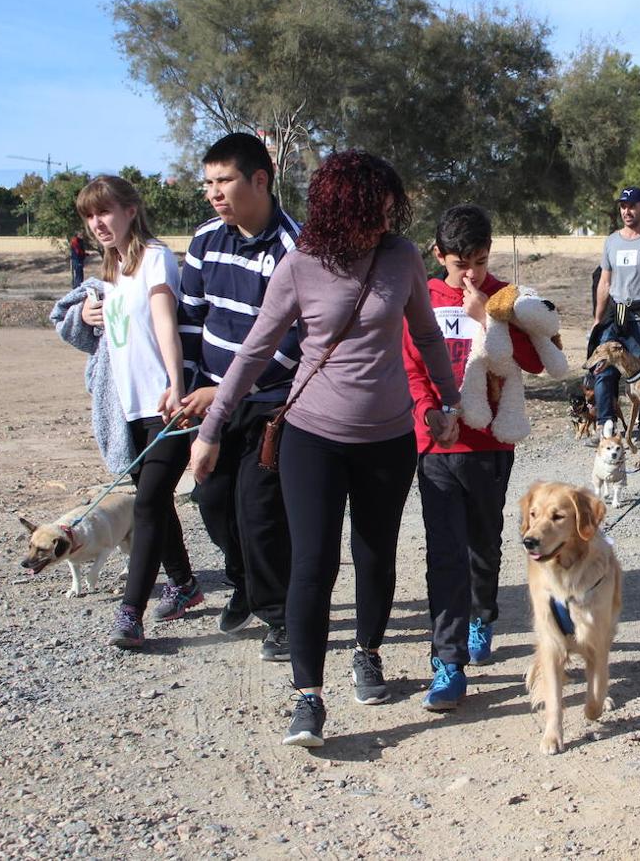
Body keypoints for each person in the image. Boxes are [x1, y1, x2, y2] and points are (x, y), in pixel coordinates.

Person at [190, 151, 461, 749]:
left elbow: (424, 333)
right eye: (375, 210)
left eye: (391, 209)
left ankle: (367, 652)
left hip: (389, 438)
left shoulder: (401, 257)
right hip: (311, 436)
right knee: (314, 562)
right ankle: (307, 698)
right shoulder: (301, 265)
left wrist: (448, 401)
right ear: (345, 210)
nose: (385, 219)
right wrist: (211, 430)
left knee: (375, 554)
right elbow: (255, 351)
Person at [404, 204, 546, 712]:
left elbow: (534, 360)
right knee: (445, 551)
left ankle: (483, 616)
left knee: (483, 542)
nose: (471, 274)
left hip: (490, 446)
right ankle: (447, 661)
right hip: (438, 446)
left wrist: (488, 314)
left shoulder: (506, 296)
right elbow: (411, 366)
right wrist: (427, 414)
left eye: (480, 261)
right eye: (461, 262)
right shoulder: (420, 296)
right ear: (438, 254)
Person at [176, 133, 301, 661]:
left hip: (270, 404)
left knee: (260, 512)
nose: (213, 193)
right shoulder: (206, 240)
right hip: (209, 402)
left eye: (223, 181)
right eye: (207, 183)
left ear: (259, 180)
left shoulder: (295, 248)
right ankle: (243, 583)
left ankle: (280, 616)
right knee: (211, 501)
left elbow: (295, 345)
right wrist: (184, 387)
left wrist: (220, 393)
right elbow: (188, 320)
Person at [75, 175, 197, 649]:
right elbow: (107, 336)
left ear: (130, 209)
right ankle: (184, 583)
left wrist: (177, 386)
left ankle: (132, 612)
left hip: (163, 405)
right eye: (89, 215)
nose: (97, 223)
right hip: (129, 408)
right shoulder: (111, 269)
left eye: (104, 211)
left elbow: (168, 324)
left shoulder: (155, 258)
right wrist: (88, 316)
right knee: (157, 500)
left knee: (145, 503)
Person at [591, 187, 640, 436]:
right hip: (617, 312)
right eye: (623, 206)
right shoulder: (612, 241)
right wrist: (597, 318)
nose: (627, 211)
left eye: (633, 205)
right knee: (604, 363)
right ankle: (606, 421)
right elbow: (605, 282)